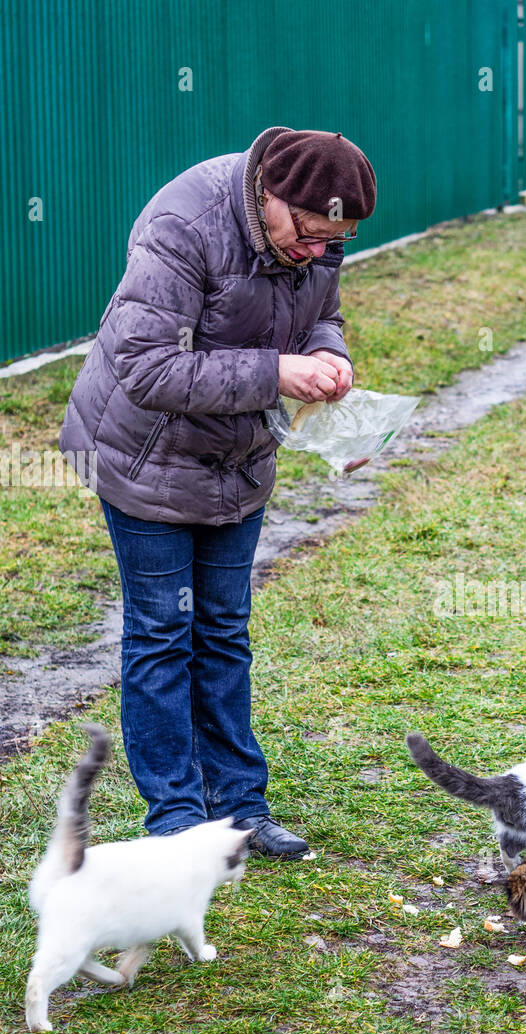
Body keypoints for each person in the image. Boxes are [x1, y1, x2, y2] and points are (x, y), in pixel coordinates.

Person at [59, 128, 377, 857]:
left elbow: (319, 314)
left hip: (237, 461)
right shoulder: (184, 224)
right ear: (271, 194)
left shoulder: (317, 235)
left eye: (335, 241)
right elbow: (146, 368)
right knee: (164, 633)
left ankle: (240, 807)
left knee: (224, 633)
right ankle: (174, 820)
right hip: (145, 457)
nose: (316, 252)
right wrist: (275, 373)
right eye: (306, 236)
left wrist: (328, 353)